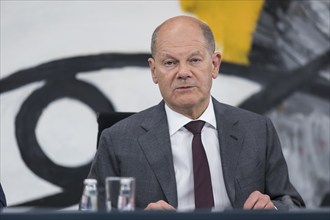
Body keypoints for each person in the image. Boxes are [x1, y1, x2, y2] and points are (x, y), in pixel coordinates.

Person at [87, 15, 304, 211]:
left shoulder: (258, 130)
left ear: (214, 65)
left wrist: (273, 210)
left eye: (194, 60)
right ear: (154, 71)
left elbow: (292, 203)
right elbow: (90, 214)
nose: (183, 73)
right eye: (170, 63)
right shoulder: (117, 141)